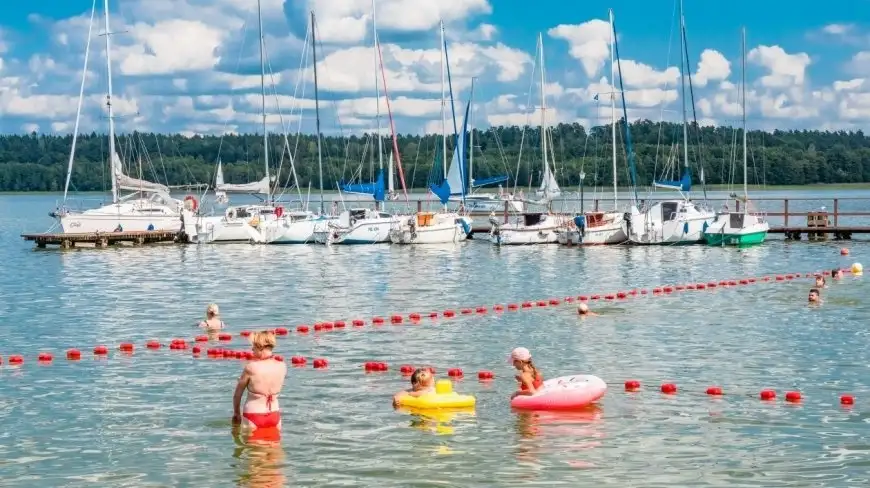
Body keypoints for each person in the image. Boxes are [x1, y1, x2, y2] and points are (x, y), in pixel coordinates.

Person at [233, 331, 287, 432]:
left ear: (260, 347)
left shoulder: (251, 367)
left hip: (253, 414)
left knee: (251, 447)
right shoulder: (282, 366)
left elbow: (237, 395)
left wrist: (236, 413)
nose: (252, 349)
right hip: (274, 415)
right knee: (274, 447)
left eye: (254, 346)